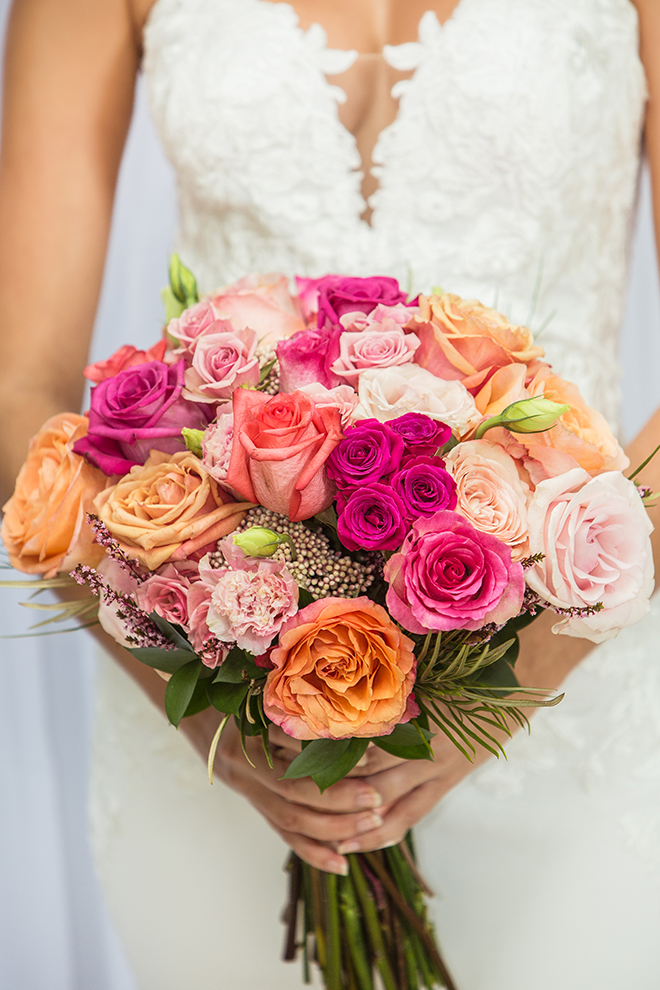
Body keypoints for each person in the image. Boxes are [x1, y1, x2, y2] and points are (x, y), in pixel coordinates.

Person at [1, 0, 660, 987]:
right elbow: (20, 384)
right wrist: (201, 712)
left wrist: (504, 689)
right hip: (218, 694)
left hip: (574, 696)